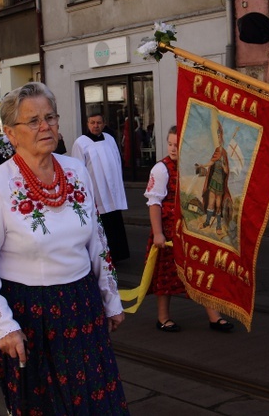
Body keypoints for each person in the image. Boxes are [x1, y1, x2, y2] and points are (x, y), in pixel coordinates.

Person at [0, 82, 128, 414]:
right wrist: (3, 327)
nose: (46, 126)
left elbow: (97, 241)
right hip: (30, 312)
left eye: (50, 117)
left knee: (97, 399)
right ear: (11, 132)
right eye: (34, 120)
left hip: (82, 304)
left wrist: (110, 299)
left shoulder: (75, 170)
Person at [145, 126, 233, 333]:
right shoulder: (161, 169)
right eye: (170, 144)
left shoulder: (189, 167)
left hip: (190, 229)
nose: (173, 149)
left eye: (178, 145)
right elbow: (154, 203)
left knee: (200, 270)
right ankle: (163, 317)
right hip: (168, 231)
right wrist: (158, 233)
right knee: (165, 275)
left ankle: (214, 316)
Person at [72, 111, 131, 262]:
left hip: (112, 189)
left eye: (98, 123)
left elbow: (117, 161)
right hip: (96, 190)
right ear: (87, 124)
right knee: (101, 223)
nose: (95, 126)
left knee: (115, 221)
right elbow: (78, 169)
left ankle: (118, 254)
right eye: (92, 122)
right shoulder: (81, 142)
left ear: (103, 124)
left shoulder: (110, 139)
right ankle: (103, 256)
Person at [197, 123, 231, 236]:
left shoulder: (224, 153)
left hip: (220, 182)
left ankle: (218, 225)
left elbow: (226, 171)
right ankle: (207, 222)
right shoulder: (217, 150)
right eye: (218, 137)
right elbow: (211, 162)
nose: (219, 139)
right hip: (213, 181)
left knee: (218, 205)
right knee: (211, 203)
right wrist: (203, 165)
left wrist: (224, 163)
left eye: (220, 137)